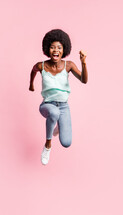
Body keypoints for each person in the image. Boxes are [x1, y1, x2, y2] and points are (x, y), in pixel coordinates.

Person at [29, 29, 88, 165]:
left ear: (64, 50)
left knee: (66, 143)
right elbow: (33, 71)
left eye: (59, 47)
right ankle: (48, 145)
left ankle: (58, 128)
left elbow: (84, 80)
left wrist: (83, 63)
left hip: (63, 106)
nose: (56, 50)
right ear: (48, 49)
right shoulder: (41, 65)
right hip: (47, 105)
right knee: (54, 113)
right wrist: (31, 84)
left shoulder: (69, 65)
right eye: (52, 47)